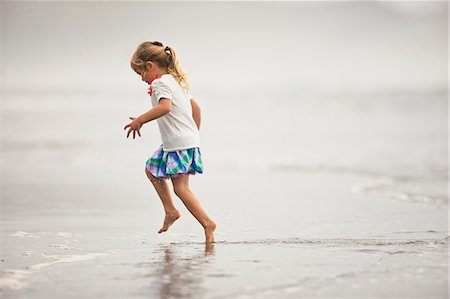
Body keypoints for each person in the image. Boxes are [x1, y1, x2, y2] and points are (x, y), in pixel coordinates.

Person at [124, 41, 216, 243]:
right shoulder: (175, 81)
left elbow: (165, 107)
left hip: (178, 143)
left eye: (141, 72)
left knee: (181, 189)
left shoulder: (159, 83)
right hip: (183, 141)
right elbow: (196, 108)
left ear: (150, 65)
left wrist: (140, 120)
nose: (142, 78)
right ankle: (170, 210)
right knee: (151, 169)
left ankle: (207, 223)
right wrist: (192, 135)